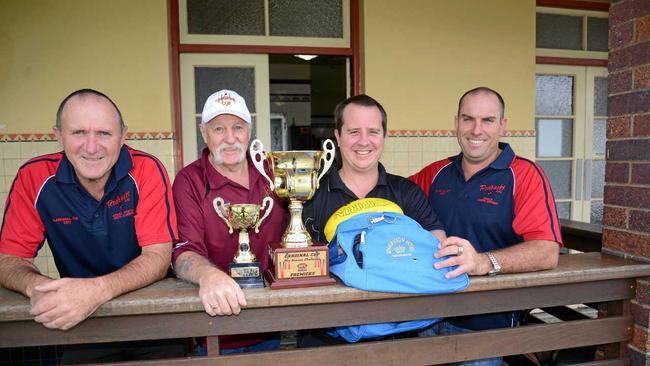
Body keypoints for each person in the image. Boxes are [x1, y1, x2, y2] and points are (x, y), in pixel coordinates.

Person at [0, 89, 183, 363]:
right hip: (81, 322)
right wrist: (41, 288)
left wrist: (94, 291)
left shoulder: (146, 170)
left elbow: (158, 256)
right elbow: (8, 259)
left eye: (104, 134)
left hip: (152, 318)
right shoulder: (33, 177)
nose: (91, 146)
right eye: (78, 133)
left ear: (123, 137)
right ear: (58, 135)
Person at [410, 86, 562, 365]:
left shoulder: (524, 175)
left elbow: (546, 251)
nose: (476, 129)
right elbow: (387, 200)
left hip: (485, 327)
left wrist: (484, 262)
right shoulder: (435, 173)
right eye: (468, 119)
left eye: (487, 120)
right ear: (456, 123)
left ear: (502, 126)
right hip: (423, 321)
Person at [300, 94, 447, 346]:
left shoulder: (406, 192)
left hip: (399, 334)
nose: (364, 141)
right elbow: (300, 270)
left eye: (373, 132)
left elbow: (436, 248)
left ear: (384, 136)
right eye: (354, 131)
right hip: (327, 338)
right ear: (337, 136)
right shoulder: (310, 195)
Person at [172, 89, 287, 354]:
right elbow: (184, 249)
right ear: (204, 133)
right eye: (219, 129)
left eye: (238, 127)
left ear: (249, 131)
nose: (231, 138)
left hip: (272, 319)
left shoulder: (272, 171)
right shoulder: (189, 180)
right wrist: (208, 275)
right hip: (215, 324)